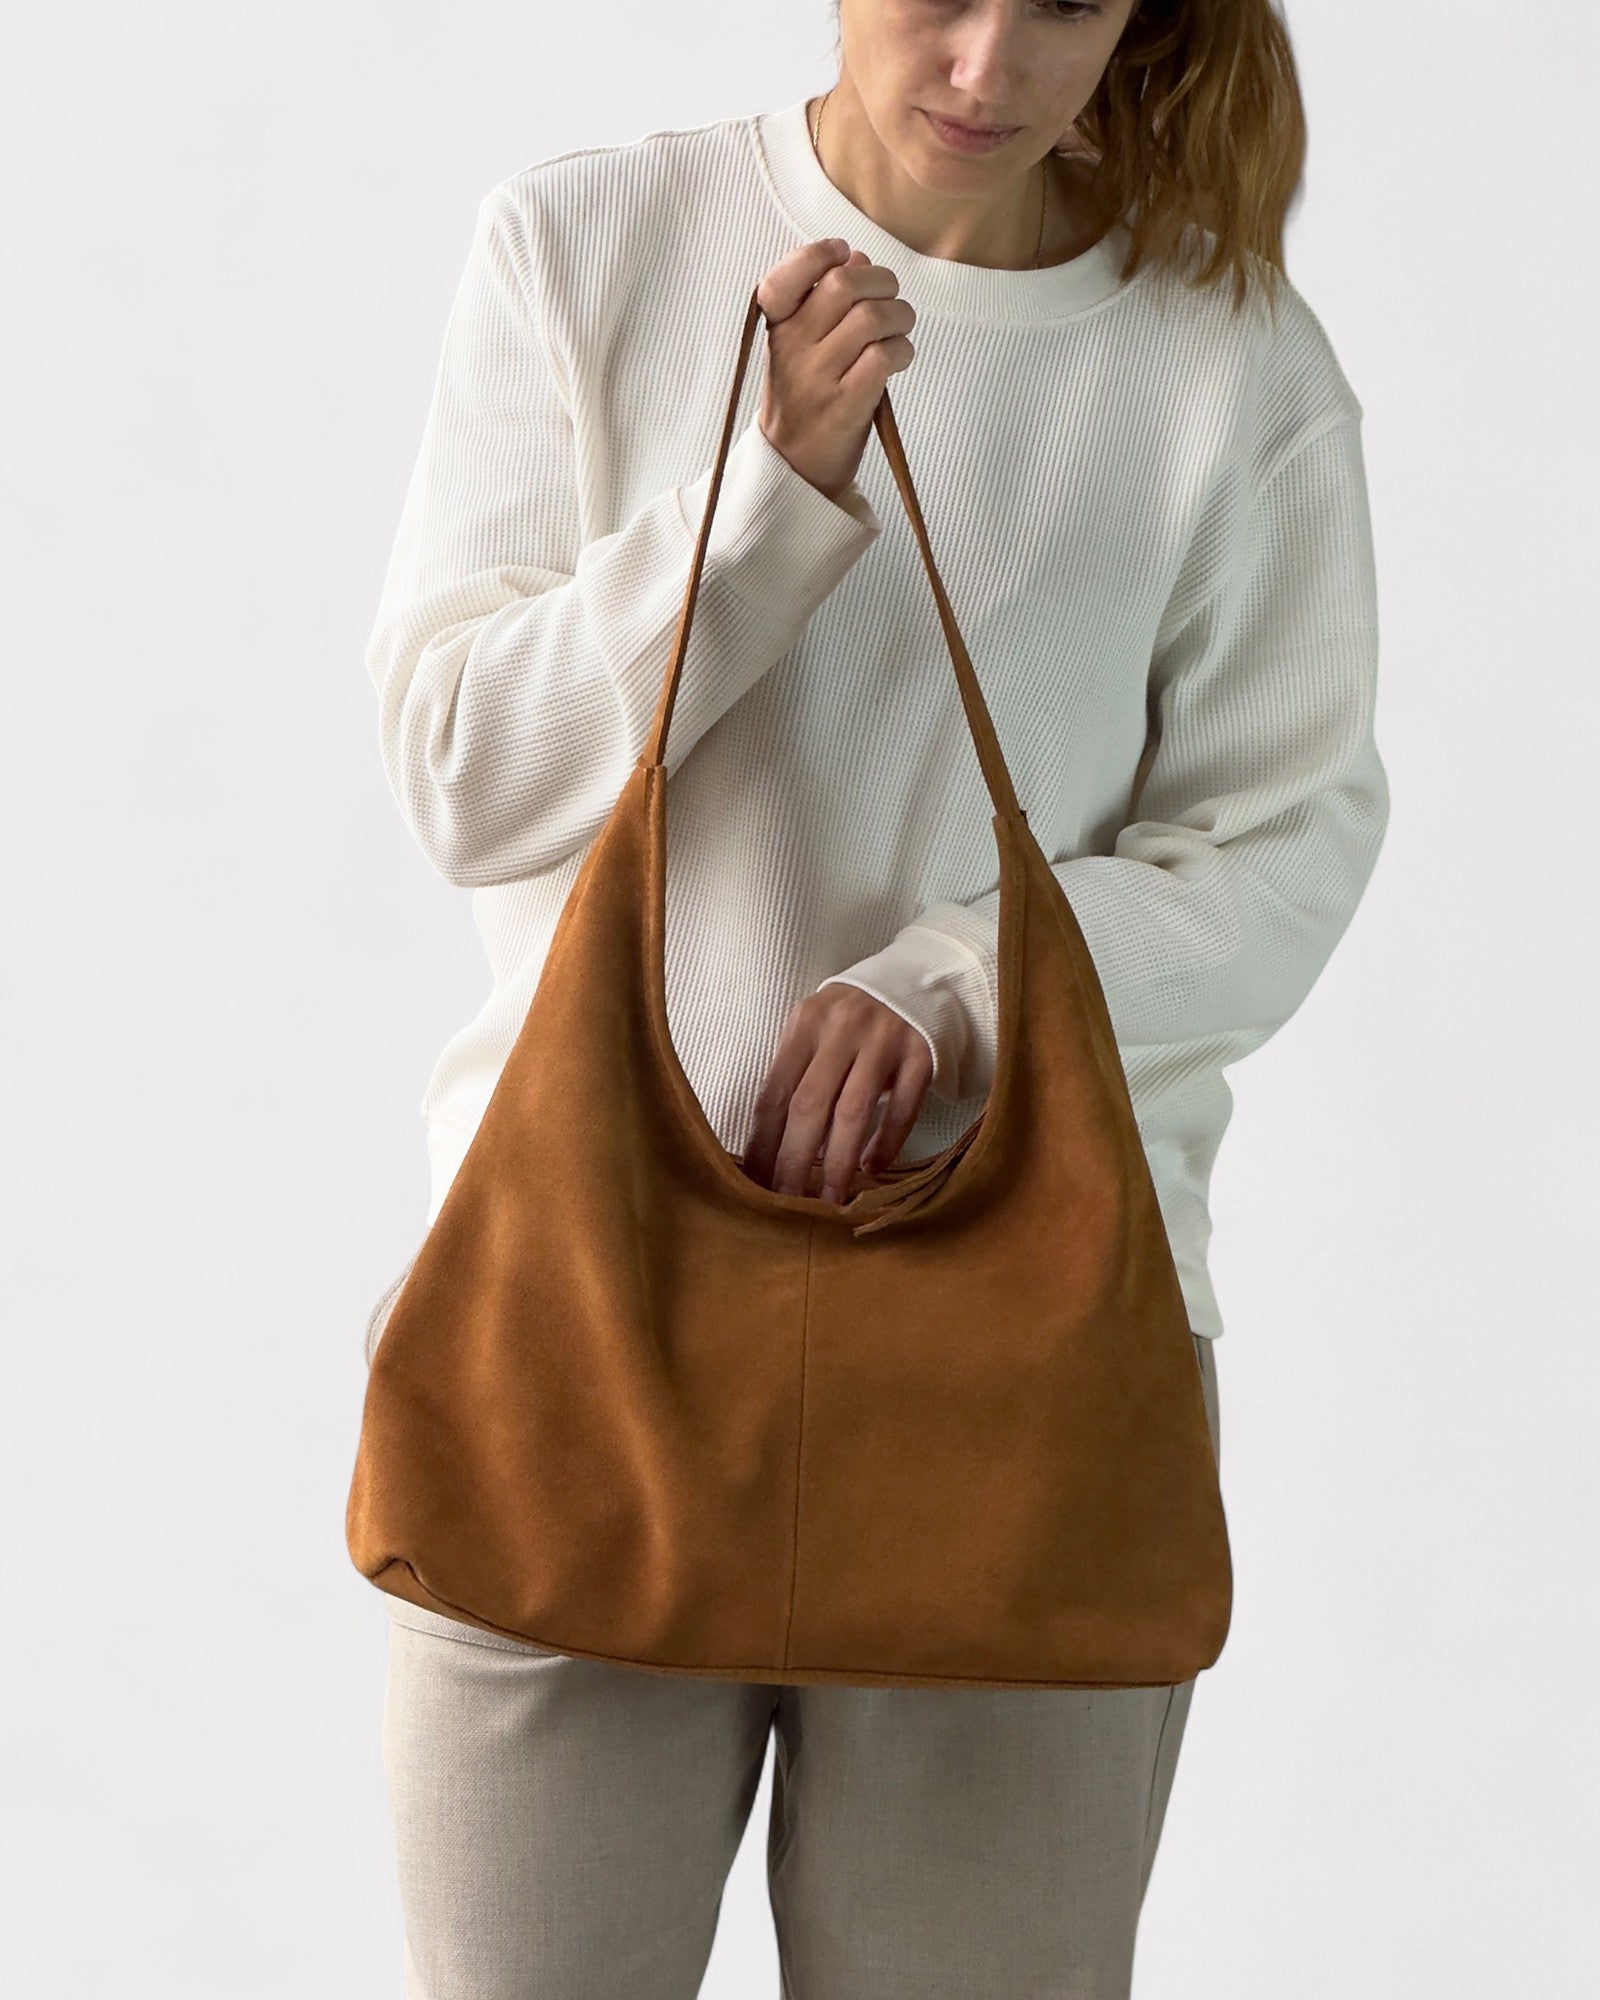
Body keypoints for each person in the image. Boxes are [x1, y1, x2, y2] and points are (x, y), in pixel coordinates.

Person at [366, 2, 1389, 1993]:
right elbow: (457, 770)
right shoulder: (591, 251)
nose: (989, 61)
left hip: (1025, 1352)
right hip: (580, 1322)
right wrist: (760, 509)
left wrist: (960, 982)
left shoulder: (1228, 363)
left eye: (1071, 2)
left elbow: (1280, 850)